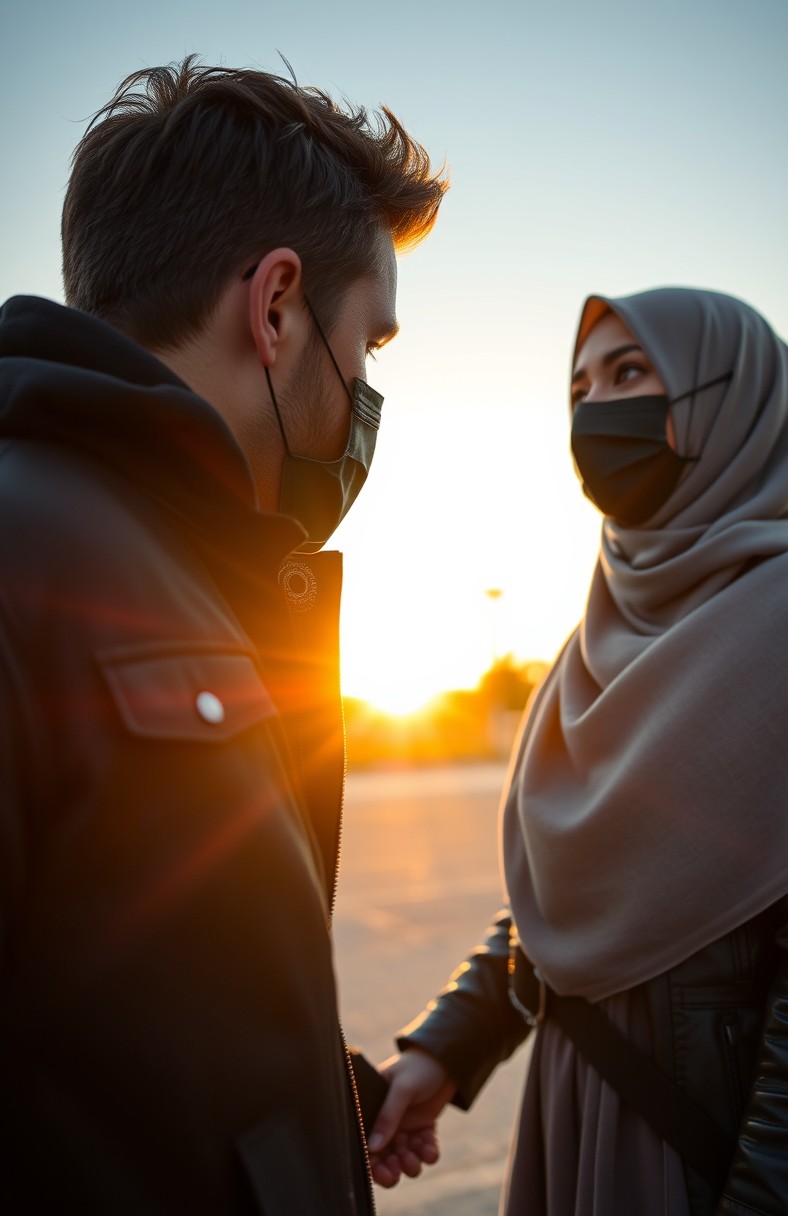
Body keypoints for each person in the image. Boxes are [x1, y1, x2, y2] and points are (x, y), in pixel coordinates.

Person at [0, 56, 445, 1214]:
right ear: (279, 307)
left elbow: (118, 1008)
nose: (370, 391)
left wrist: (318, 1100)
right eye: (374, 347)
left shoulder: (197, 572)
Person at [369, 287, 788, 1215]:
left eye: (628, 373)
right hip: (574, 1110)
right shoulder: (595, 642)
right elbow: (567, 889)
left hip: (720, 1151)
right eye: (578, 388)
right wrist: (445, 1047)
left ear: (732, 401)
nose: (593, 411)